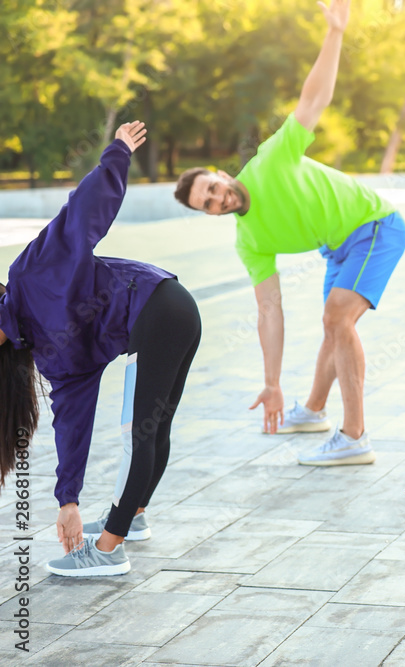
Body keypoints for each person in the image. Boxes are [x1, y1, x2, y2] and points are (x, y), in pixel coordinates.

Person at [173, 0, 405, 466]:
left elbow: (313, 99)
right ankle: (314, 410)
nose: (220, 198)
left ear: (221, 174)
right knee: (332, 326)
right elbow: (270, 311)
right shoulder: (249, 241)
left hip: (374, 225)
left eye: (214, 187)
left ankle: (355, 436)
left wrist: (336, 33)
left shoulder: (271, 160)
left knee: (337, 320)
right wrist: (272, 382)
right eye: (210, 203)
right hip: (338, 248)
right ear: (210, 213)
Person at [0, 122, 202, 576]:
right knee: (156, 424)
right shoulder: (49, 356)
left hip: (158, 307)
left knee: (142, 433)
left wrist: (118, 154)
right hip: (168, 312)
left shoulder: (28, 275)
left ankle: (110, 549)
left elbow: (79, 219)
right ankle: (132, 517)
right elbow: (71, 422)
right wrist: (67, 501)